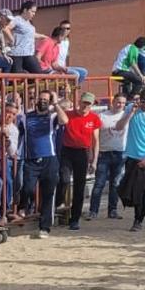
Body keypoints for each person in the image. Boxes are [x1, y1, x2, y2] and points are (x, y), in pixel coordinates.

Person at [18, 90, 68, 237]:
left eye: (46, 99)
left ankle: (44, 227)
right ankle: (24, 206)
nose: (42, 102)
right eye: (40, 99)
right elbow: (18, 132)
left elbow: (65, 121)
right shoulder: (26, 117)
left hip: (49, 159)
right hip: (31, 159)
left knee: (48, 193)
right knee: (27, 188)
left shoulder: (52, 116)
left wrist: (55, 103)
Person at [114, 87, 145, 231]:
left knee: (139, 190)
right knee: (124, 189)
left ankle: (138, 220)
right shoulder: (131, 108)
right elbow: (119, 127)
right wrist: (130, 113)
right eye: (143, 102)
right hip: (130, 155)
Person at [60, 92, 101, 231]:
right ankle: (59, 201)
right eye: (84, 102)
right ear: (79, 101)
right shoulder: (69, 114)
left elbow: (96, 141)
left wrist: (94, 161)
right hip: (67, 150)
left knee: (79, 186)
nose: (86, 105)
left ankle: (75, 218)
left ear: (92, 104)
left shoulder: (94, 118)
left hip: (82, 152)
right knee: (64, 178)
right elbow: (61, 121)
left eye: (89, 103)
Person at [90, 93, 129, 220]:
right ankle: (93, 210)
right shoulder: (102, 116)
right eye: (118, 102)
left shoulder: (126, 115)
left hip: (120, 153)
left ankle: (112, 210)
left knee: (115, 184)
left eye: (123, 103)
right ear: (113, 102)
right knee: (99, 183)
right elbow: (94, 137)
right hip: (104, 152)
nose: (120, 105)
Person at [2, 1, 46, 74]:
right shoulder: (17, 19)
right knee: (16, 77)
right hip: (17, 54)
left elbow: (30, 34)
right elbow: (6, 28)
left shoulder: (29, 23)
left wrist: (42, 36)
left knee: (38, 72)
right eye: (32, 11)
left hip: (28, 54)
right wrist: (11, 39)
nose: (34, 14)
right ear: (25, 10)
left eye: (35, 12)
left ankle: (28, 82)